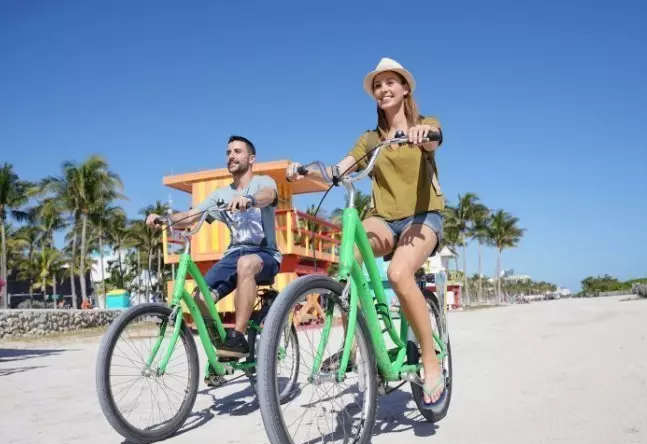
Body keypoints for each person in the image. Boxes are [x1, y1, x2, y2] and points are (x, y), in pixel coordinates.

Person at [287, 58, 446, 405]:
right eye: (378, 85)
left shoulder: (425, 124)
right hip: (384, 218)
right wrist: (305, 171)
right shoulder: (370, 139)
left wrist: (422, 135)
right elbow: (339, 169)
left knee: (399, 273)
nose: (383, 89)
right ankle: (357, 344)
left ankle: (430, 361)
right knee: (347, 262)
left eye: (390, 82)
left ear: (405, 89)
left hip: (423, 216)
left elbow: (434, 139)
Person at [147, 135, 281, 358]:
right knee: (199, 298)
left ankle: (238, 337)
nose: (231, 156)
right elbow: (192, 215)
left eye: (237, 151)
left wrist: (249, 200)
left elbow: (269, 195)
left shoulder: (263, 182)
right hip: (233, 254)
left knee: (246, 263)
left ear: (251, 158)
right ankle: (222, 349)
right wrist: (165, 219)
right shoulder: (220, 195)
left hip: (265, 254)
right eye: (228, 152)